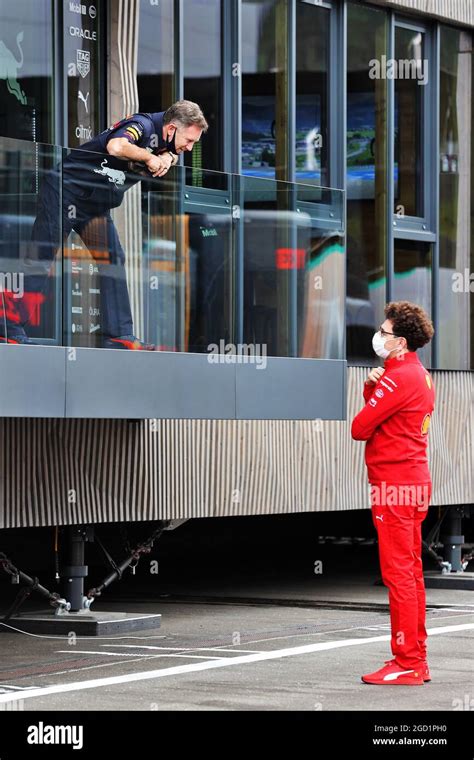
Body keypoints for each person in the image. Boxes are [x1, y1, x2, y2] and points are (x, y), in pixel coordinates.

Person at [1, 100, 208, 349]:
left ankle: (120, 334)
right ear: (172, 128)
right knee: (43, 257)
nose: (189, 147)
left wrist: (168, 156)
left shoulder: (167, 140)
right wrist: (149, 158)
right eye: (189, 140)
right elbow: (116, 146)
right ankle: (7, 326)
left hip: (93, 204)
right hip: (65, 191)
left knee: (113, 258)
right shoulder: (141, 125)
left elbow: (171, 154)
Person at [351, 301, 435, 686]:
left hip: (394, 486)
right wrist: (376, 387)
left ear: (400, 341)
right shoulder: (419, 373)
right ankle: (416, 658)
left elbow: (361, 427)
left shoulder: (397, 376)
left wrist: (371, 388)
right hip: (413, 481)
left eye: (384, 333)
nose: (378, 337)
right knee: (411, 572)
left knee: (398, 575)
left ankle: (408, 662)